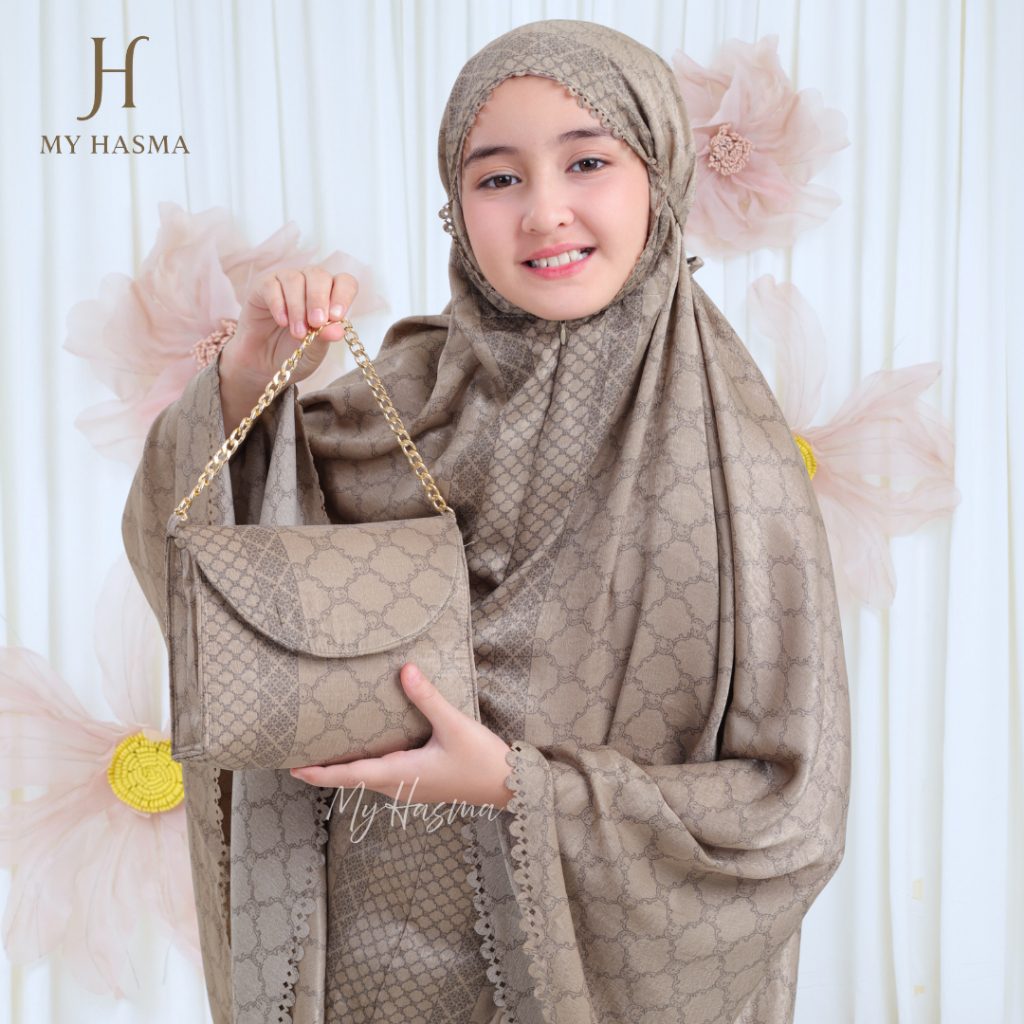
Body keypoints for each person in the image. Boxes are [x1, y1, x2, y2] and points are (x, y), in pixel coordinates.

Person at [124, 19, 851, 1024]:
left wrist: (518, 787)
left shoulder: (737, 461)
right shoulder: (395, 402)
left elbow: (791, 809)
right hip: (364, 969)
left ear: (660, 176)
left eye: (588, 162)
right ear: (456, 208)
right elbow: (203, 562)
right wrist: (252, 377)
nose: (544, 212)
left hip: (587, 983)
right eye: (498, 177)